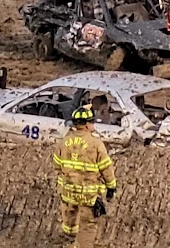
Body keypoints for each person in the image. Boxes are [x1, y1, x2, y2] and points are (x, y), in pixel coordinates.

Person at [51, 103, 117, 248]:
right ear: (86, 125)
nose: (93, 124)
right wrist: (111, 187)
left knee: (70, 215)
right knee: (88, 225)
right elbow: (106, 168)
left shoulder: (64, 141)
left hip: (68, 192)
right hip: (88, 195)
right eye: (92, 121)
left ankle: (68, 237)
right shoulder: (95, 144)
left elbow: (57, 165)